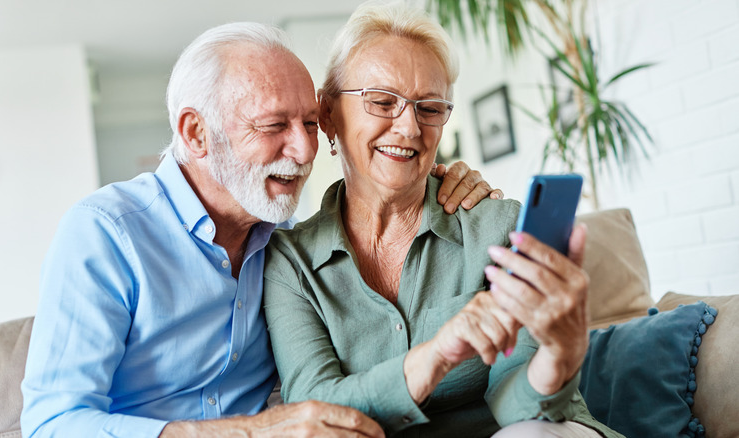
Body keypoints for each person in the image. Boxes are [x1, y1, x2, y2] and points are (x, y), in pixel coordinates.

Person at [20, 20, 500, 438]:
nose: (304, 150)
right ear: (195, 133)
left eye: (310, 124)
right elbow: (52, 424)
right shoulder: (106, 234)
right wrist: (252, 431)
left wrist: (437, 176)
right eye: (273, 126)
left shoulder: (283, 240)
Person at [263, 3, 621, 437]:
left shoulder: (499, 228)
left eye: (429, 108)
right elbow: (314, 410)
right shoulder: (291, 262)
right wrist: (436, 356)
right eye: (382, 102)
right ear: (329, 114)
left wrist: (559, 354)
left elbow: (522, 408)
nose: (409, 127)